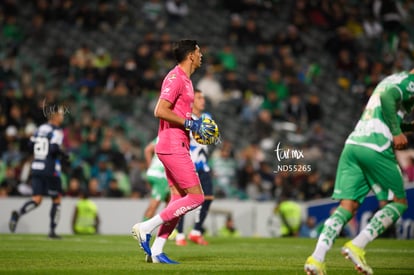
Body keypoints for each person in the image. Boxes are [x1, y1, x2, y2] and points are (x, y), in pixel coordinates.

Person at [304, 69, 413, 275]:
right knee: (399, 203)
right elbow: (388, 97)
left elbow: (384, 109)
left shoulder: (393, 78)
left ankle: (316, 259)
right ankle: (357, 245)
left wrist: (407, 127)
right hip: (376, 146)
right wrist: (397, 133)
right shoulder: (411, 83)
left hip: (354, 144)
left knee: (347, 207)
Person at [132, 39, 213, 264]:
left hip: (179, 143)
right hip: (171, 144)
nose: (201, 56)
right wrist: (189, 125)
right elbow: (160, 110)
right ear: (190, 56)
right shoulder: (176, 77)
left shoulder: (186, 81)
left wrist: (194, 127)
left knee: (178, 200)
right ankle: (145, 227)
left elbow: (179, 115)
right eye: (198, 52)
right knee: (196, 197)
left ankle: (157, 251)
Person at [9, 105, 67, 239]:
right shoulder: (57, 131)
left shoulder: (40, 128)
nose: (63, 117)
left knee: (37, 199)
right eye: (61, 114)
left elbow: (30, 145)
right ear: (55, 116)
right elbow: (53, 148)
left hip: (36, 166)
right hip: (50, 168)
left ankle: (19, 212)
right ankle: (52, 231)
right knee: (56, 198)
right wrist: (63, 154)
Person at [175, 89, 214, 246]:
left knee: (208, 198)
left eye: (203, 98)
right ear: (192, 101)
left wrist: (212, 135)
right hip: (188, 164)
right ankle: (179, 235)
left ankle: (196, 232)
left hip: (203, 165)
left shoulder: (207, 118)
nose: (202, 100)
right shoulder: (186, 118)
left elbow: (211, 137)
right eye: (199, 98)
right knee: (185, 200)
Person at [142, 136, 170, 221]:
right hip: (161, 175)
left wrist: (151, 166)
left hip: (153, 172)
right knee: (154, 205)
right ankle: (142, 230)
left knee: (171, 201)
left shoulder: (162, 136)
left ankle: (167, 230)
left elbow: (147, 150)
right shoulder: (176, 136)